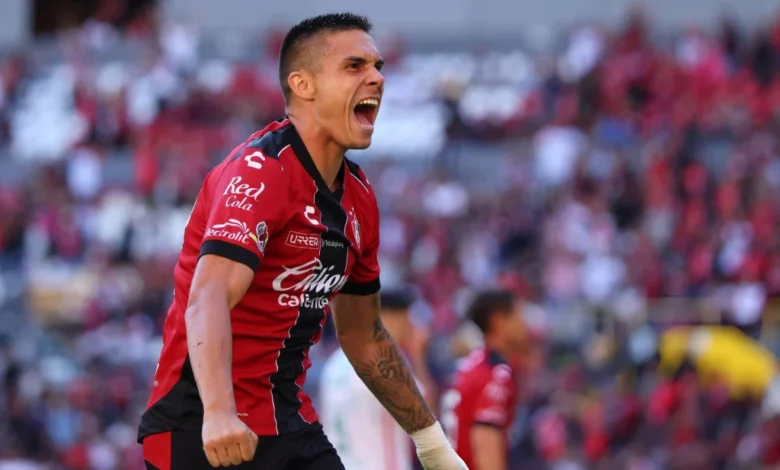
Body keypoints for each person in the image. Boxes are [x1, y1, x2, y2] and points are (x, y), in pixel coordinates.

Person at [137, 13, 466, 470]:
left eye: (378, 66)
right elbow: (208, 295)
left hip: (286, 421)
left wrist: (432, 445)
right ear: (303, 84)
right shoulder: (260, 170)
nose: (376, 78)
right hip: (201, 425)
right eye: (354, 66)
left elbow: (363, 335)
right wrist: (219, 413)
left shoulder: (360, 199)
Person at [320, 288, 425, 470]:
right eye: (406, 319)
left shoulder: (335, 364)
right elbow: (426, 418)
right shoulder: (384, 362)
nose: (411, 327)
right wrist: (418, 354)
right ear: (387, 319)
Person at [442, 290, 526, 470]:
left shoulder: (469, 365)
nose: (523, 324)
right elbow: (485, 442)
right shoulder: (495, 374)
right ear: (499, 321)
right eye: (517, 316)